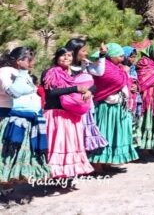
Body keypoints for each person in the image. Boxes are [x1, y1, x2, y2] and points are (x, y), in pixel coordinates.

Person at [0, 47, 50, 193]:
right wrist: (22, 72)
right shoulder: (5, 72)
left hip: (24, 120)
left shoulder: (22, 74)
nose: (32, 62)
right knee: (5, 155)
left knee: (12, 156)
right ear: (18, 60)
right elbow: (14, 92)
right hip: (7, 120)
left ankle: (6, 187)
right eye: (29, 59)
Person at [42, 48, 95, 178]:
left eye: (69, 56)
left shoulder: (73, 74)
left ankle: (68, 173)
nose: (66, 58)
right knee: (57, 145)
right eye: (63, 55)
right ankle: (54, 174)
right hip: (56, 114)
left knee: (70, 145)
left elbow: (92, 84)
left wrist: (90, 91)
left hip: (70, 115)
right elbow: (51, 92)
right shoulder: (50, 72)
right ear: (56, 57)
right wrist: (75, 88)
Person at [89, 43, 139, 167]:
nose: (123, 59)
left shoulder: (116, 67)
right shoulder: (104, 67)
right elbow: (113, 81)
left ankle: (107, 163)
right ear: (112, 56)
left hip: (117, 106)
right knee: (105, 133)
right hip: (106, 107)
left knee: (113, 135)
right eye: (121, 56)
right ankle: (98, 165)